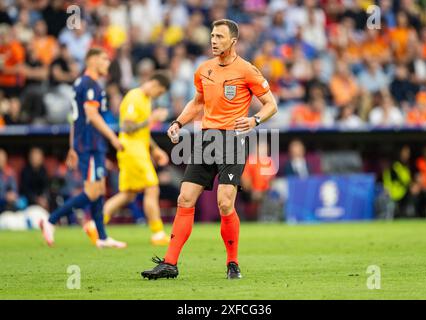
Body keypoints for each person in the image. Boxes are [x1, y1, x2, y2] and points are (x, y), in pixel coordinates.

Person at [141, 19, 278, 280]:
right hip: (206, 139)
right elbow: (198, 102)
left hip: (233, 140)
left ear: (233, 41)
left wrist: (255, 120)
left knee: (224, 203)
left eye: (219, 37)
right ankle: (170, 263)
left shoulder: (247, 70)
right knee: (184, 198)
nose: (213, 40)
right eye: (212, 36)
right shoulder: (204, 69)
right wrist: (178, 122)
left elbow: (271, 104)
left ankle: (233, 263)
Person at [39, 47, 126, 249]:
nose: (107, 63)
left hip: (88, 143)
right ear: (92, 60)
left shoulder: (81, 83)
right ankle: (51, 220)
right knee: (93, 191)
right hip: (90, 143)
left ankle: (102, 236)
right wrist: (113, 138)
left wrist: (71, 146)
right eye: (104, 59)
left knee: (99, 189)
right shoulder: (89, 84)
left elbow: (74, 119)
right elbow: (91, 115)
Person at [102, 73, 172, 246]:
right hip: (132, 150)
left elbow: (142, 132)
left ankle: (95, 224)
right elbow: (127, 127)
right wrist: (151, 120)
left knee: (128, 195)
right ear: (154, 84)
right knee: (152, 188)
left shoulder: (145, 99)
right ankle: (157, 233)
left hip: (137, 150)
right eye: (160, 92)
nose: (159, 96)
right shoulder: (135, 97)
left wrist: (155, 150)